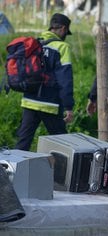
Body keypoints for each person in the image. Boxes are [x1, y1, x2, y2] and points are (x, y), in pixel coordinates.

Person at [15, 13, 74, 151]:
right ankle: (64, 171)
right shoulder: (62, 47)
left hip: (29, 101)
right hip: (50, 104)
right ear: (63, 29)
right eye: (66, 32)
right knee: (63, 143)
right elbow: (65, 79)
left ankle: (12, 170)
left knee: (23, 142)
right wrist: (68, 106)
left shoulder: (34, 44)